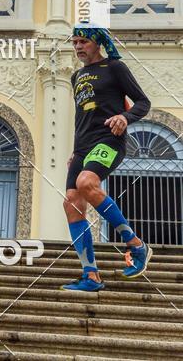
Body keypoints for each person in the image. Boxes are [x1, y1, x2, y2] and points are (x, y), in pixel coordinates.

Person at [61, 25, 151, 292]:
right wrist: (75, 151)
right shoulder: (76, 76)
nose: (78, 47)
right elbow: (82, 117)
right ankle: (91, 276)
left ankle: (136, 245)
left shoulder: (115, 68)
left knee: (88, 182)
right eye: (75, 42)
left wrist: (125, 118)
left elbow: (142, 103)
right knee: (72, 204)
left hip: (109, 140)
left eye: (83, 42)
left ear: (97, 43)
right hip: (82, 147)